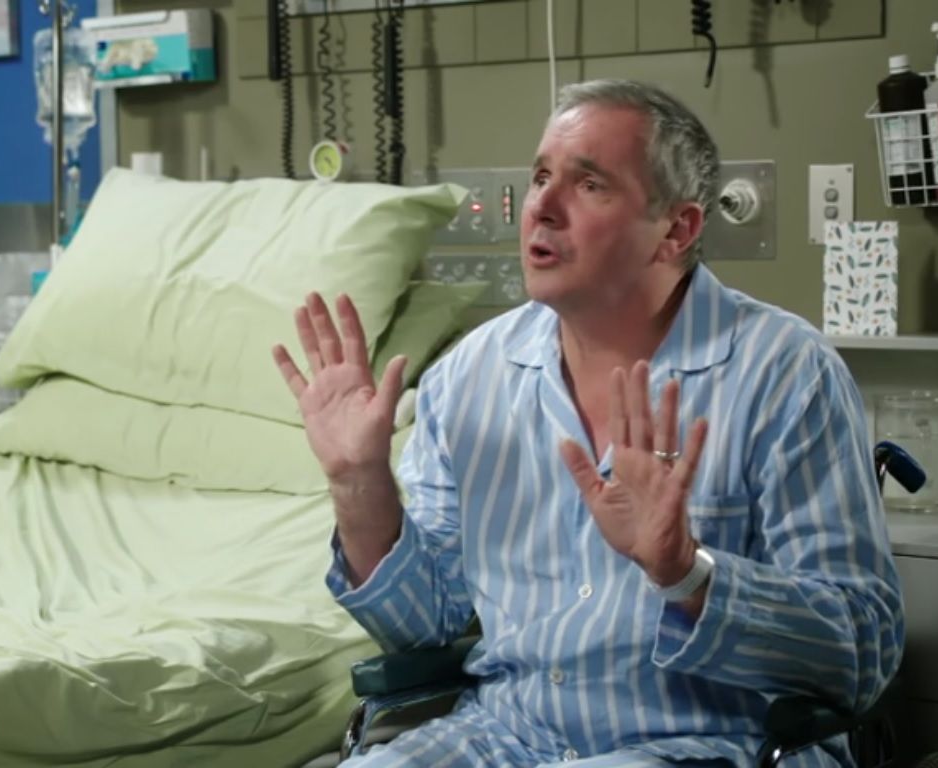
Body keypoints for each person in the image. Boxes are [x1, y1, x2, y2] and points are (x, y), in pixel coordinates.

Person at [271, 78, 904, 767]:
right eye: (541, 177)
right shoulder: (468, 379)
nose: (541, 207)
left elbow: (861, 651)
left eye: (589, 184)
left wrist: (687, 573)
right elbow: (423, 627)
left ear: (676, 230)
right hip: (504, 736)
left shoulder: (784, 373)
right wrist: (359, 483)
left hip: (709, 744)